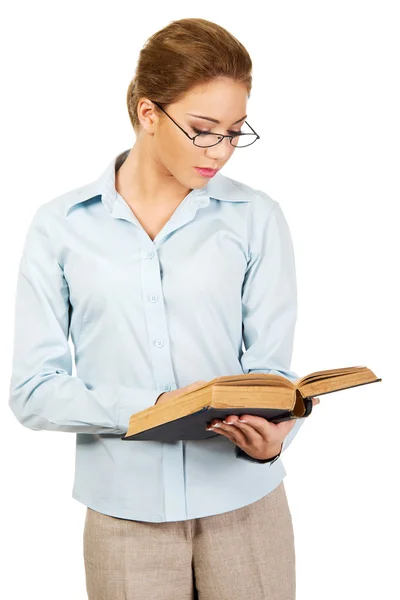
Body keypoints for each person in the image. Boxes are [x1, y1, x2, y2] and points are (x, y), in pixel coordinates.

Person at [8, 17, 319, 600]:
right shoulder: (60, 227)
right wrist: (152, 409)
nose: (222, 151)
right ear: (148, 114)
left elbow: (271, 369)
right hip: (124, 519)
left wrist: (276, 435)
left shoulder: (257, 218)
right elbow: (33, 391)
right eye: (204, 129)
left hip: (247, 508)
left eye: (235, 131)